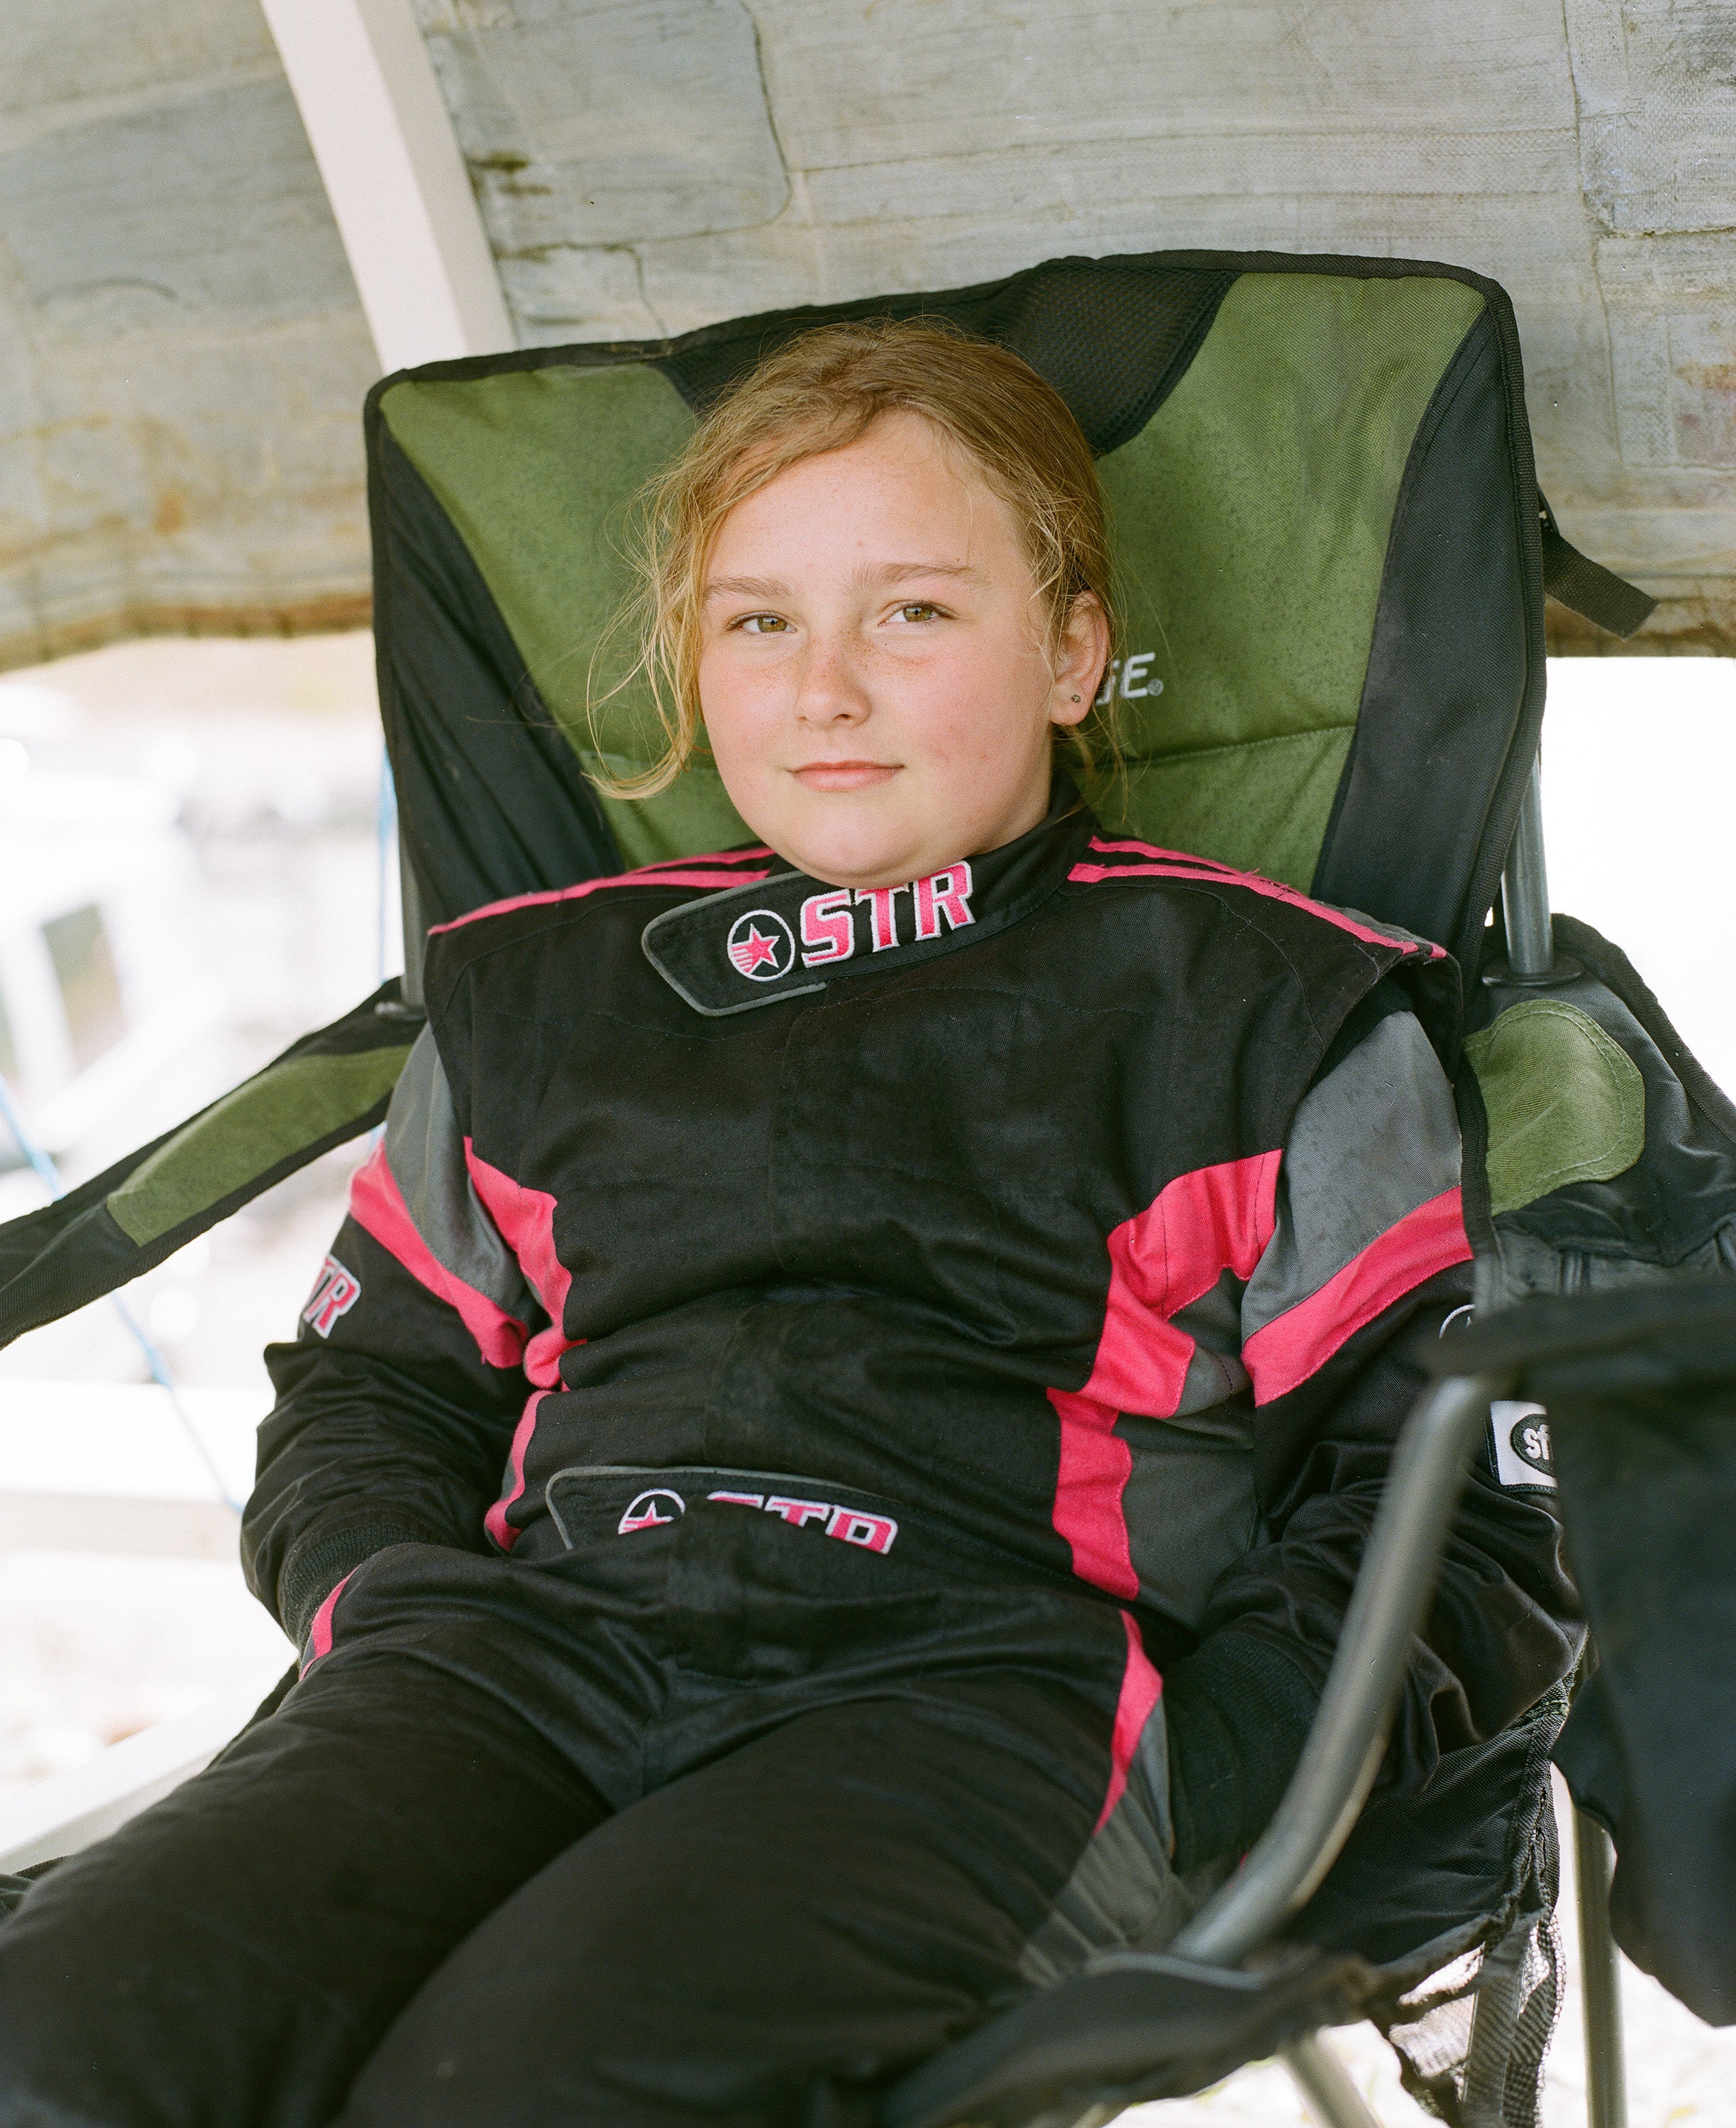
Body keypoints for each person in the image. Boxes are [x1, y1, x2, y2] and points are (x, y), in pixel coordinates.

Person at [0, 322, 1579, 2127]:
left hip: (970, 1697)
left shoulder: (1266, 1013)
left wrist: (1221, 1768)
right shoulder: (535, 999)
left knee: (519, 2101)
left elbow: (1457, 1494)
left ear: (1074, 652)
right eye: (759, 622)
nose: (824, 689)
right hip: (516, 1663)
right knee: (50, 2051)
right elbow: (372, 1391)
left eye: (911, 614)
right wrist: (390, 1609)